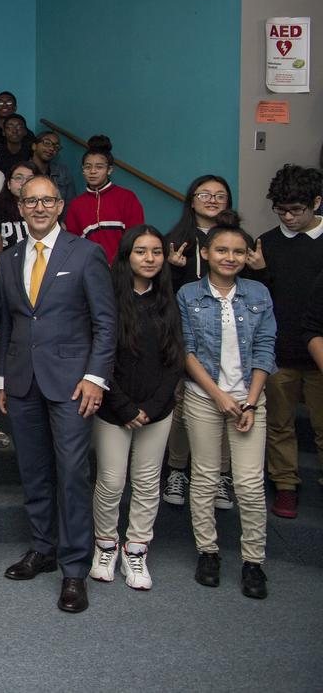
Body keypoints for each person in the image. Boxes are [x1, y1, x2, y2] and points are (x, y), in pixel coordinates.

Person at [0, 175, 115, 614]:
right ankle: (43, 549)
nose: (39, 207)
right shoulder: (9, 259)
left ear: (60, 205)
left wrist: (95, 377)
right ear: (21, 207)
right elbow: (10, 323)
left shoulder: (86, 253)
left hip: (72, 384)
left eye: (47, 200)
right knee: (34, 470)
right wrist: (4, 382)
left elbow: (105, 322)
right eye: (31, 201)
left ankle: (74, 568)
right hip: (23, 381)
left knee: (72, 474)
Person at [177, 212, 275, 600]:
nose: (230, 257)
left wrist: (249, 401)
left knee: (249, 484)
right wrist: (218, 396)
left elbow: (265, 348)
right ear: (206, 252)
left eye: (238, 251)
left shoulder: (258, 294)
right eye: (222, 250)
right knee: (204, 477)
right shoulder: (188, 295)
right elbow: (185, 351)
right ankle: (209, 552)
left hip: (250, 400)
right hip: (204, 398)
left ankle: (253, 561)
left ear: (247, 255)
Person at [89, 225, 184, 591]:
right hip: (113, 407)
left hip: (157, 409)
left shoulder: (167, 298)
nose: (149, 258)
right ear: (126, 256)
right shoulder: (108, 299)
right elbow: (99, 356)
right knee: (111, 482)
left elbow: (175, 358)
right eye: (141, 251)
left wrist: (153, 405)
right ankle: (106, 545)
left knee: (146, 483)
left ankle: (137, 549)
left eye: (156, 252)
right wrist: (126, 406)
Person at [249, 164, 323, 520]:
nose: (289, 217)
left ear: (317, 203)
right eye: (282, 210)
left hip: (321, 353)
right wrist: (260, 270)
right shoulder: (267, 244)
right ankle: (285, 484)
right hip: (280, 352)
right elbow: (259, 299)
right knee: (280, 425)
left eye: (297, 210)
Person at [161, 175, 235, 508]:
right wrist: (173, 269)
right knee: (182, 405)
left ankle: (222, 475)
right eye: (204, 194)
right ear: (191, 200)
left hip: (232, 335)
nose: (212, 199)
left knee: (229, 402)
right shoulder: (174, 240)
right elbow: (158, 293)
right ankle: (177, 470)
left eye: (220, 195)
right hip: (185, 335)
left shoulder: (238, 239)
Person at [64, 135, 144, 263]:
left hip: (123, 268)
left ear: (109, 170)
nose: (93, 171)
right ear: (83, 170)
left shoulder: (127, 197)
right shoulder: (76, 204)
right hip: (90, 270)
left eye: (99, 167)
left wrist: (119, 265)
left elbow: (137, 237)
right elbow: (74, 243)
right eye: (88, 167)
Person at [29, 129, 77, 204]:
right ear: (34, 146)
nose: (52, 148)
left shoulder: (63, 172)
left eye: (56, 146)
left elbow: (70, 203)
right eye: (47, 143)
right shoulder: (22, 171)